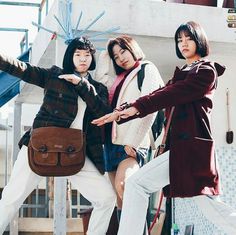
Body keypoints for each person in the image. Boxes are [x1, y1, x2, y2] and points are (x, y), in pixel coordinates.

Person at [92, 22, 236, 235]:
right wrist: (124, 109)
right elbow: (157, 96)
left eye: (188, 38)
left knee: (211, 206)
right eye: (180, 40)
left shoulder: (205, 71)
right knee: (136, 185)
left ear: (199, 40)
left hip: (192, 150)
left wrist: (134, 108)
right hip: (178, 150)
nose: (184, 43)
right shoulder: (182, 74)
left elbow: (168, 95)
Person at [0, 36, 116, 235]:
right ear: (70, 56)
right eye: (77, 54)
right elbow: (24, 69)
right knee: (11, 198)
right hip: (40, 146)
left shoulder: (97, 89)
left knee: (107, 198)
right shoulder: (54, 76)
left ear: (92, 58)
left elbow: (103, 112)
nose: (82, 59)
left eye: (87, 55)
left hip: (75, 151)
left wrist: (81, 84)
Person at [94, 35, 164, 221]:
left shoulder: (147, 69)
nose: (120, 58)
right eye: (115, 56)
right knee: (121, 199)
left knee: (124, 185)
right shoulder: (119, 79)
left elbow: (150, 107)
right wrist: (105, 54)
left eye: (123, 51)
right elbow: (100, 80)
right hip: (111, 143)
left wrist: (134, 141)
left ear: (132, 48)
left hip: (132, 142)